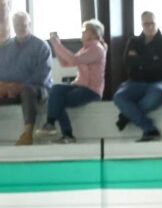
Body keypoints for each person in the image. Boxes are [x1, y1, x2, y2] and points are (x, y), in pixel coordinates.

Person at [37, 20, 107, 144]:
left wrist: (56, 43)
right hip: (79, 86)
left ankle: (62, 131)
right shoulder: (86, 49)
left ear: (94, 34)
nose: (83, 33)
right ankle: (53, 126)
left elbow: (73, 60)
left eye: (85, 31)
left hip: (91, 91)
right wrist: (55, 45)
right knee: (56, 89)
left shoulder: (96, 48)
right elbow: (65, 63)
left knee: (58, 100)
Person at [112, 11, 162, 142]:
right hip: (136, 82)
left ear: (157, 22)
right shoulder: (133, 41)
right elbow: (128, 62)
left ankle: (127, 115)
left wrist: (139, 61)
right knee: (119, 97)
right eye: (146, 24)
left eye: (152, 23)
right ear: (141, 24)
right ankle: (149, 128)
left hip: (160, 82)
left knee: (157, 95)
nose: (150, 27)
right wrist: (152, 60)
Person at [0, 11, 52, 145]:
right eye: (17, 24)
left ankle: (28, 133)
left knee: (28, 90)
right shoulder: (5, 47)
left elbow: (42, 75)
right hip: (10, 89)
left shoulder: (41, 46)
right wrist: (5, 86)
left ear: (29, 24)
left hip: (37, 89)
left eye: (23, 24)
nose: (20, 27)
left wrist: (19, 86)